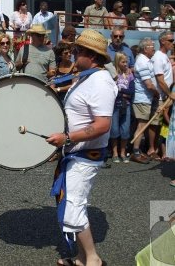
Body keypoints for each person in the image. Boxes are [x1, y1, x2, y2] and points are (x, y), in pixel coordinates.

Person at [47, 29, 117, 266]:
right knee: (73, 204)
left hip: (86, 155)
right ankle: (80, 257)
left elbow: (103, 125)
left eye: (78, 52)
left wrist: (67, 138)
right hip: (76, 153)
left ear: (93, 56)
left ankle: (93, 259)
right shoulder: (87, 76)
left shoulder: (101, 83)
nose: (74, 55)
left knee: (74, 206)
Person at [131, 38, 159, 164]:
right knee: (142, 125)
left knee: (142, 125)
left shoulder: (145, 60)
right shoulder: (142, 61)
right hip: (143, 98)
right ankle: (135, 152)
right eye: (152, 46)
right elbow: (148, 84)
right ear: (145, 48)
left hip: (146, 98)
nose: (154, 48)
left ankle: (137, 150)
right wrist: (157, 93)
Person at [150, 31, 175, 160]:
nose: (173, 43)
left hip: (166, 96)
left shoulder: (165, 56)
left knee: (163, 125)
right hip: (161, 96)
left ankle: (161, 150)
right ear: (162, 41)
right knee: (156, 124)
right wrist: (170, 94)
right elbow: (160, 80)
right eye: (170, 40)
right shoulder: (159, 57)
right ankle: (152, 149)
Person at [110, 52, 134, 163]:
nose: (125, 64)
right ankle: (115, 152)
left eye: (126, 61)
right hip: (115, 105)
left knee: (125, 130)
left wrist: (120, 90)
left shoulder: (129, 74)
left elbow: (131, 91)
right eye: (123, 62)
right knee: (114, 130)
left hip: (126, 105)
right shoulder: (113, 75)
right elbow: (113, 91)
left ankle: (123, 152)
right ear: (117, 62)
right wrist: (122, 92)